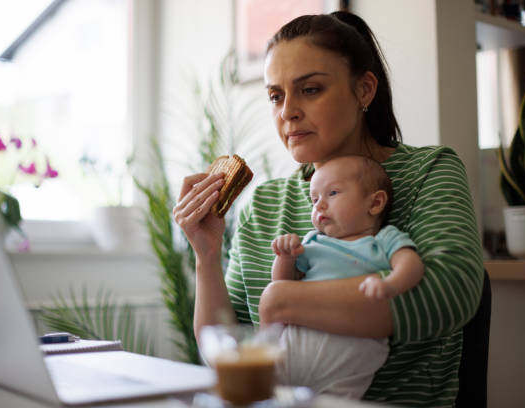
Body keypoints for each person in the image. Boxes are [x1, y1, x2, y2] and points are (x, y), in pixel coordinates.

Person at [173, 11, 484, 407]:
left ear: (364, 90)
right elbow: (225, 344)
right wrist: (207, 253)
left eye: (310, 89)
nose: (287, 112)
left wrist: (282, 302)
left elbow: (449, 295)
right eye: (275, 95)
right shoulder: (265, 205)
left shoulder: (427, 172)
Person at [270, 155, 424, 398]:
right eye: (314, 199)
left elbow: (411, 264)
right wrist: (285, 256)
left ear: (375, 203)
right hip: (295, 347)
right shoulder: (312, 242)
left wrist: (390, 286)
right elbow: (280, 287)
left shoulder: (383, 240)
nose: (319, 205)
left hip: (351, 356)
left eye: (332, 193)